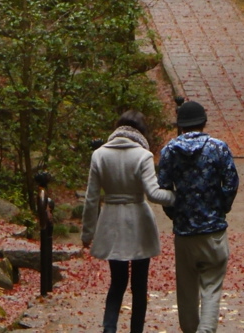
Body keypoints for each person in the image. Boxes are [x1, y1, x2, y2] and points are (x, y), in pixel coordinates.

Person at [82, 109, 176, 333]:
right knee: (139, 285)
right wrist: (176, 197)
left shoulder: (100, 155)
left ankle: (109, 328)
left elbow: (91, 198)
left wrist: (87, 233)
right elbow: (153, 194)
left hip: (111, 221)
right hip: (138, 221)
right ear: (141, 132)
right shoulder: (143, 155)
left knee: (117, 282)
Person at [156, 99, 239, 333]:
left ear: (181, 125)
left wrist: (175, 213)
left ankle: (191, 329)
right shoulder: (218, 148)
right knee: (211, 287)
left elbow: (163, 188)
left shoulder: (169, 151)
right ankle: (206, 330)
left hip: (184, 232)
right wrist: (221, 207)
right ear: (204, 122)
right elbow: (231, 182)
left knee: (186, 289)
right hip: (213, 230)